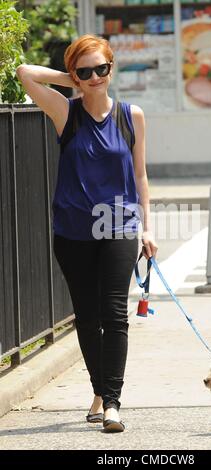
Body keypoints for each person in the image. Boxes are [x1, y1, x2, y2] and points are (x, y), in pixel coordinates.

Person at [16, 34, 158, 433]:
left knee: (114, 313)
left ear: (112, 69)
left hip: (119, 225)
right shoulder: (66, 112)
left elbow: (141, 174)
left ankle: (111, 401)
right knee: (87, 315)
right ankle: (99, 391)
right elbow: (25, 72)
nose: (95, 76)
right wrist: (74, 79)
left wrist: (148, 227)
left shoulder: (133, 115)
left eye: (102, 68)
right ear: (74, 75)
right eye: (86, 71)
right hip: (73, 229)